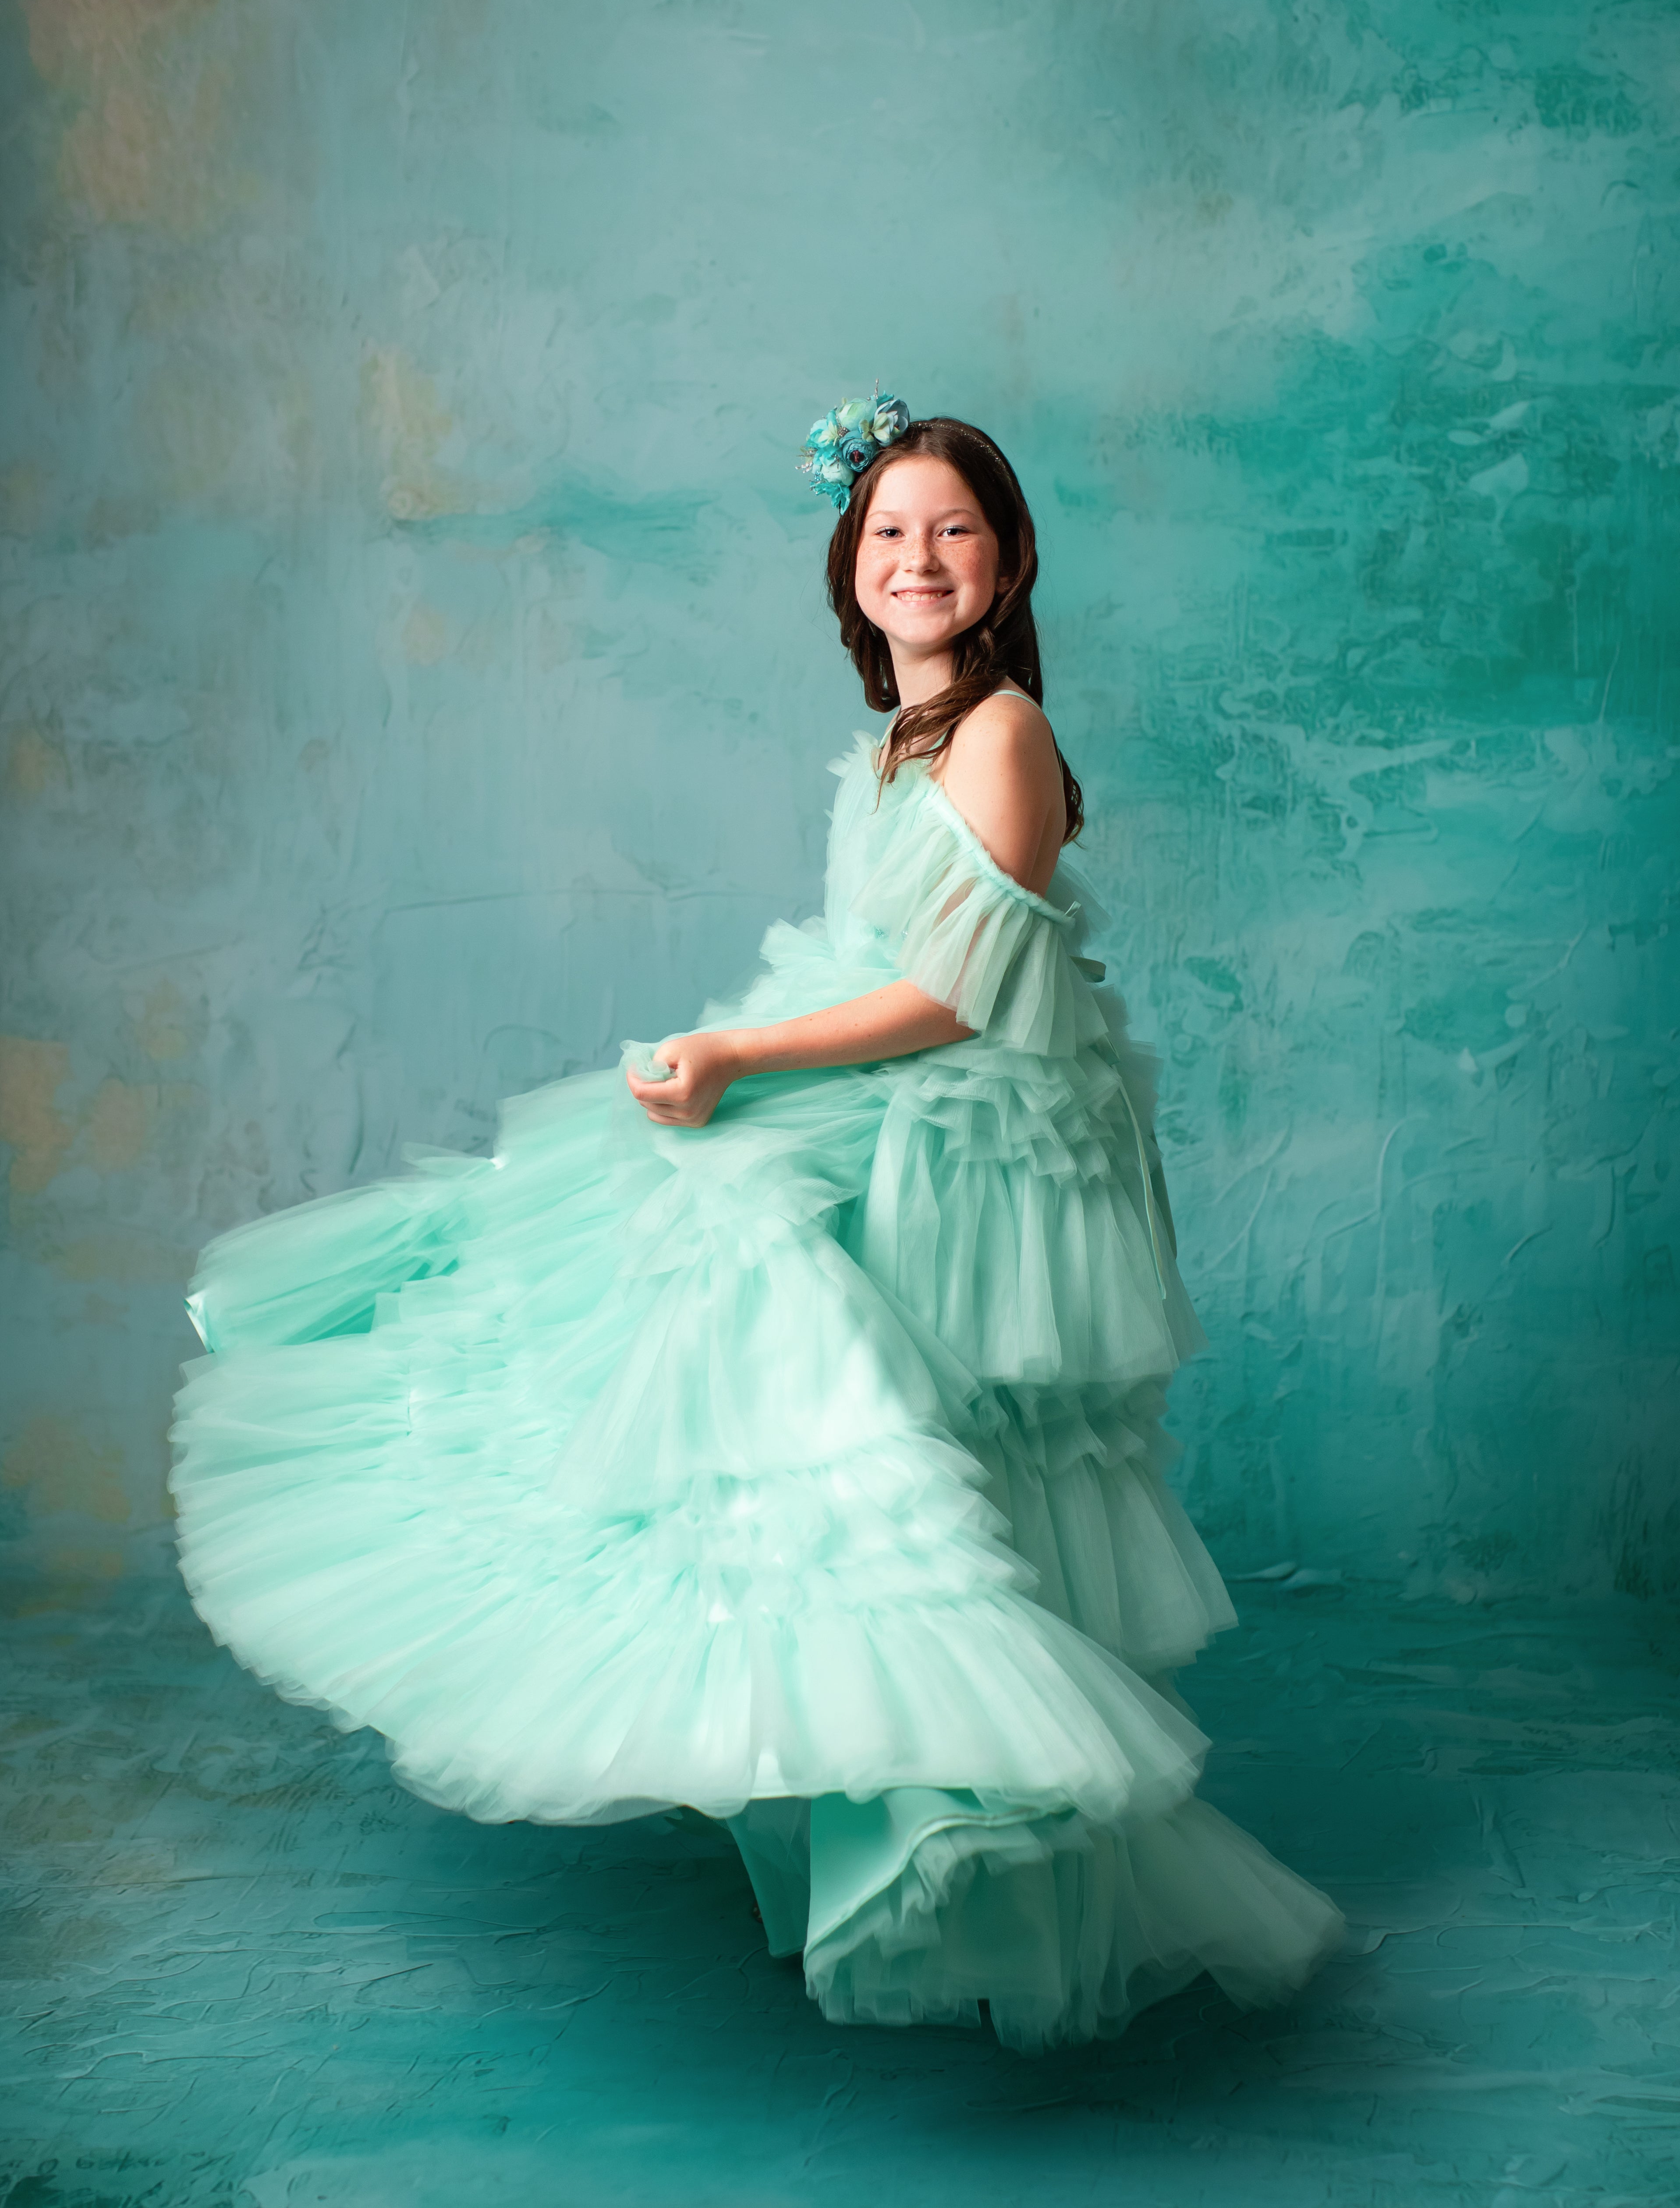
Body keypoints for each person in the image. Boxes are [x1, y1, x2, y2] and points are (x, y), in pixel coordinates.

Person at [170, 397, 1344, 2052]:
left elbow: (947, 996)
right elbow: (879, 959)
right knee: (824, 1415)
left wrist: (735, 1059)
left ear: (1004, 561)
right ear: (846, 569)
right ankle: (893, 1808)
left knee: (860, 1433)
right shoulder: (895, 744)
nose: (915, 560)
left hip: (970, 1154)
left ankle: (967, 1822)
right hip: (911, 1117)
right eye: (885, 534)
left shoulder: (1001, 730)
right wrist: (736, 1063)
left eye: (949, 531)